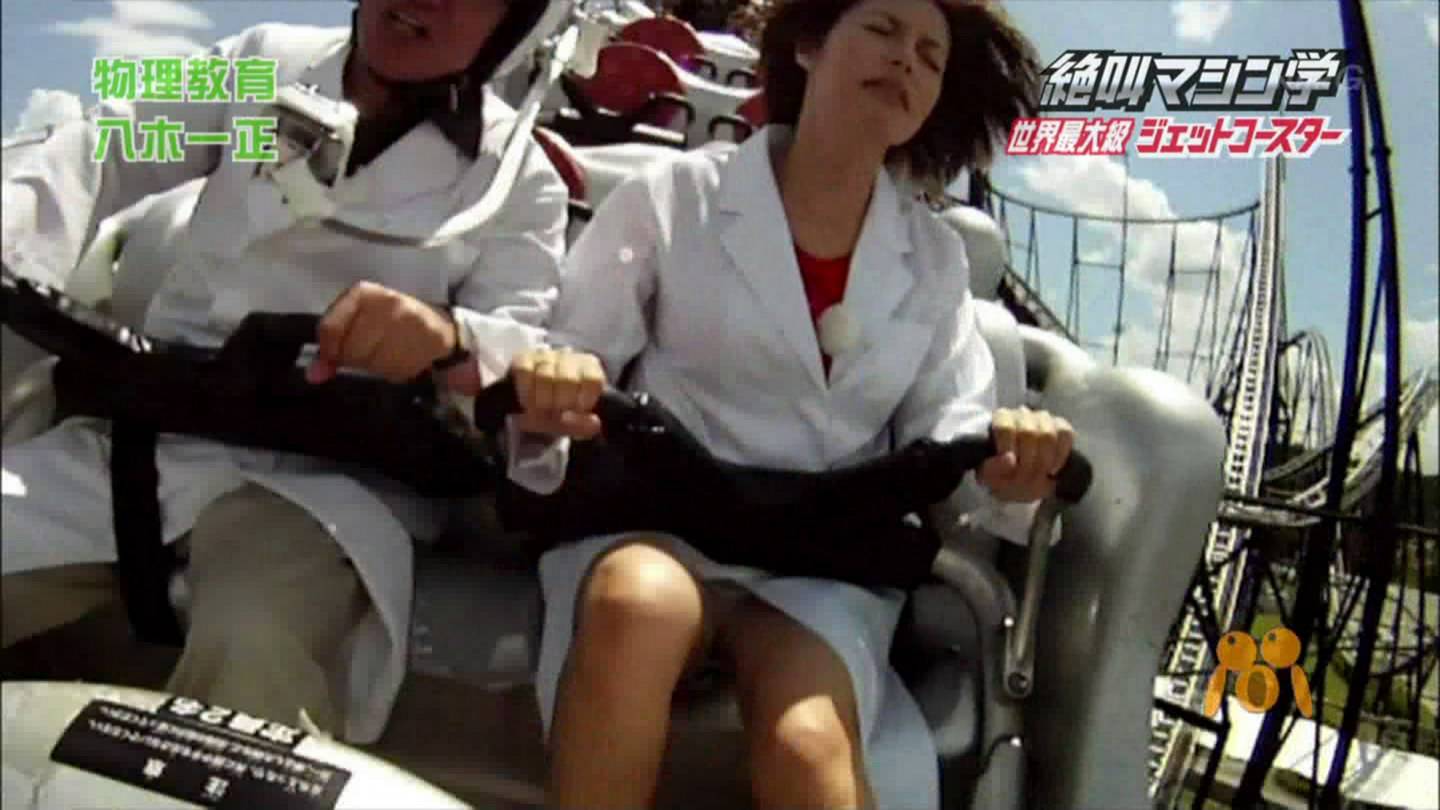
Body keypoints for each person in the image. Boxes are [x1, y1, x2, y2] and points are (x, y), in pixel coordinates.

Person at [506, 1, 1063, 807]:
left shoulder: (936, 262)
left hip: (822, 563)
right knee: (635, 609)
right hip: (657, 525)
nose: (905, 60)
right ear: (808, 46)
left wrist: (1013, 465)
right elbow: (574, 351)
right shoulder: (676, 194)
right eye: (883, 30)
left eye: (930, 55)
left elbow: (958, 424)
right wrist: (556, 382)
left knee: (808, 743)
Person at [1, 0, 567, 745]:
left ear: (515, 24)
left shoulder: (522, 181)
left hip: (325, 483)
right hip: (149, 431)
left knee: (253, 645)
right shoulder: (257, 56)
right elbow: (104, 139)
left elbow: (523, 358)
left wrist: (451, 341)